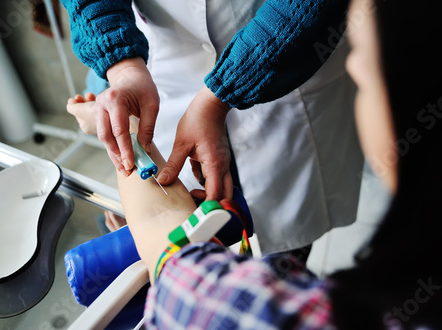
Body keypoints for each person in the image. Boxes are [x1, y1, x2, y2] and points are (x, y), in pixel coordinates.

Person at [113, 0, 442, 330]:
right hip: (171, 79)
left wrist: (124, 128)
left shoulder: (249, 312)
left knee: (287, 240)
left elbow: (180, 270)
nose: (353, 64)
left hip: (285, 102)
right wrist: (122, 63)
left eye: (363, 69)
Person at [60, 0, 364, 257]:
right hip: (166, 75)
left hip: (287, 69)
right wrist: (124, 67)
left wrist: (217, 99)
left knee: (286, 249)